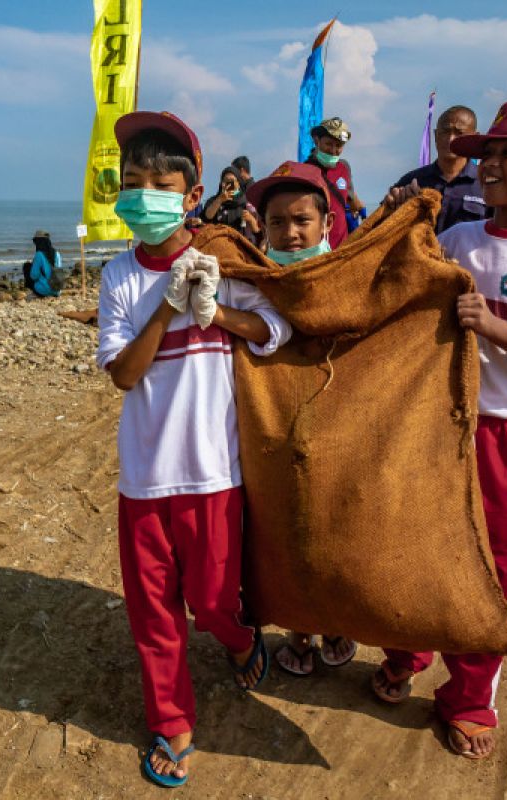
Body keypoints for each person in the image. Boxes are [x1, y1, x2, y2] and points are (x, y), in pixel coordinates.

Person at [377, 102, 507, 759]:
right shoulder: (459, 240)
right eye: (485, 153)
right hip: (438, 425)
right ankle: (405, 652)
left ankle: (468, 699)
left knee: (493, 576)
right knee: (410, 551)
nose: (489, 165)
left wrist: (492, 325)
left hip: (505, 437)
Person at [96, 110, 291, 788]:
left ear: (189, 191)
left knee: (213, 600)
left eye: (157, 181)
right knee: (154, 616)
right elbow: (123, 372)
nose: (140, 193)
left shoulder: (225, 259)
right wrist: (169, 308)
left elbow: (274, 331)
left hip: (214, 473)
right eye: (129, 181)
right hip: (145, 479)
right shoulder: (119, 276)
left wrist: (216, 312)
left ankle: (239, 639)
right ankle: (171, 720)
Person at [242, 160, 359, 675]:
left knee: (336, 526)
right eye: (276, 224)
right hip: (276, 424)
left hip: (338, 423)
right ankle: (299, 632)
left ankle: (337, 623)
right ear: (261, 228)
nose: (289, 233)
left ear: (326, 224)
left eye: (301, 221)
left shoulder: (347, 273)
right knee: (285, 529)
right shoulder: (256, 279)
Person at [390, 105, 488, 233]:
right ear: (436, 135)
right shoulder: (412, 181)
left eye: (459, 133)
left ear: (474, 138)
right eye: (445, 132)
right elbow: (383, 227)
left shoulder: (485, 184)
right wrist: (396, 206)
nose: (450, 139)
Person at [303, 116, 364, 247]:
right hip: (315, 247)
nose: (333, 150)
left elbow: (350, 198)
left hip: (342, 246)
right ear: (316, 141)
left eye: (338, 146)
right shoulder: (305, 170)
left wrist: (363, 213)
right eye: (329, 144)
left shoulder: (344, 168)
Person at [200, 166, 262, 244]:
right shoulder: (214, 200)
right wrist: (219, 200)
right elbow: (206, 217)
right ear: (221, 183)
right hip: (216, 243)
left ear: (238, 183)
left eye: (232, 181)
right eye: (226, 181)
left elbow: (258, 232)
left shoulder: (247, 202)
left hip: (239, 246)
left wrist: (250, 219)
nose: (229, 184)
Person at [23, 230, 62, 298]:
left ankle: (37, 292)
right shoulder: (57, 253)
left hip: (44, 290)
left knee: (26, 266)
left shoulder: (39, 255)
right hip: (57, 290)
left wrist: (32, 266)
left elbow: (34, 276)